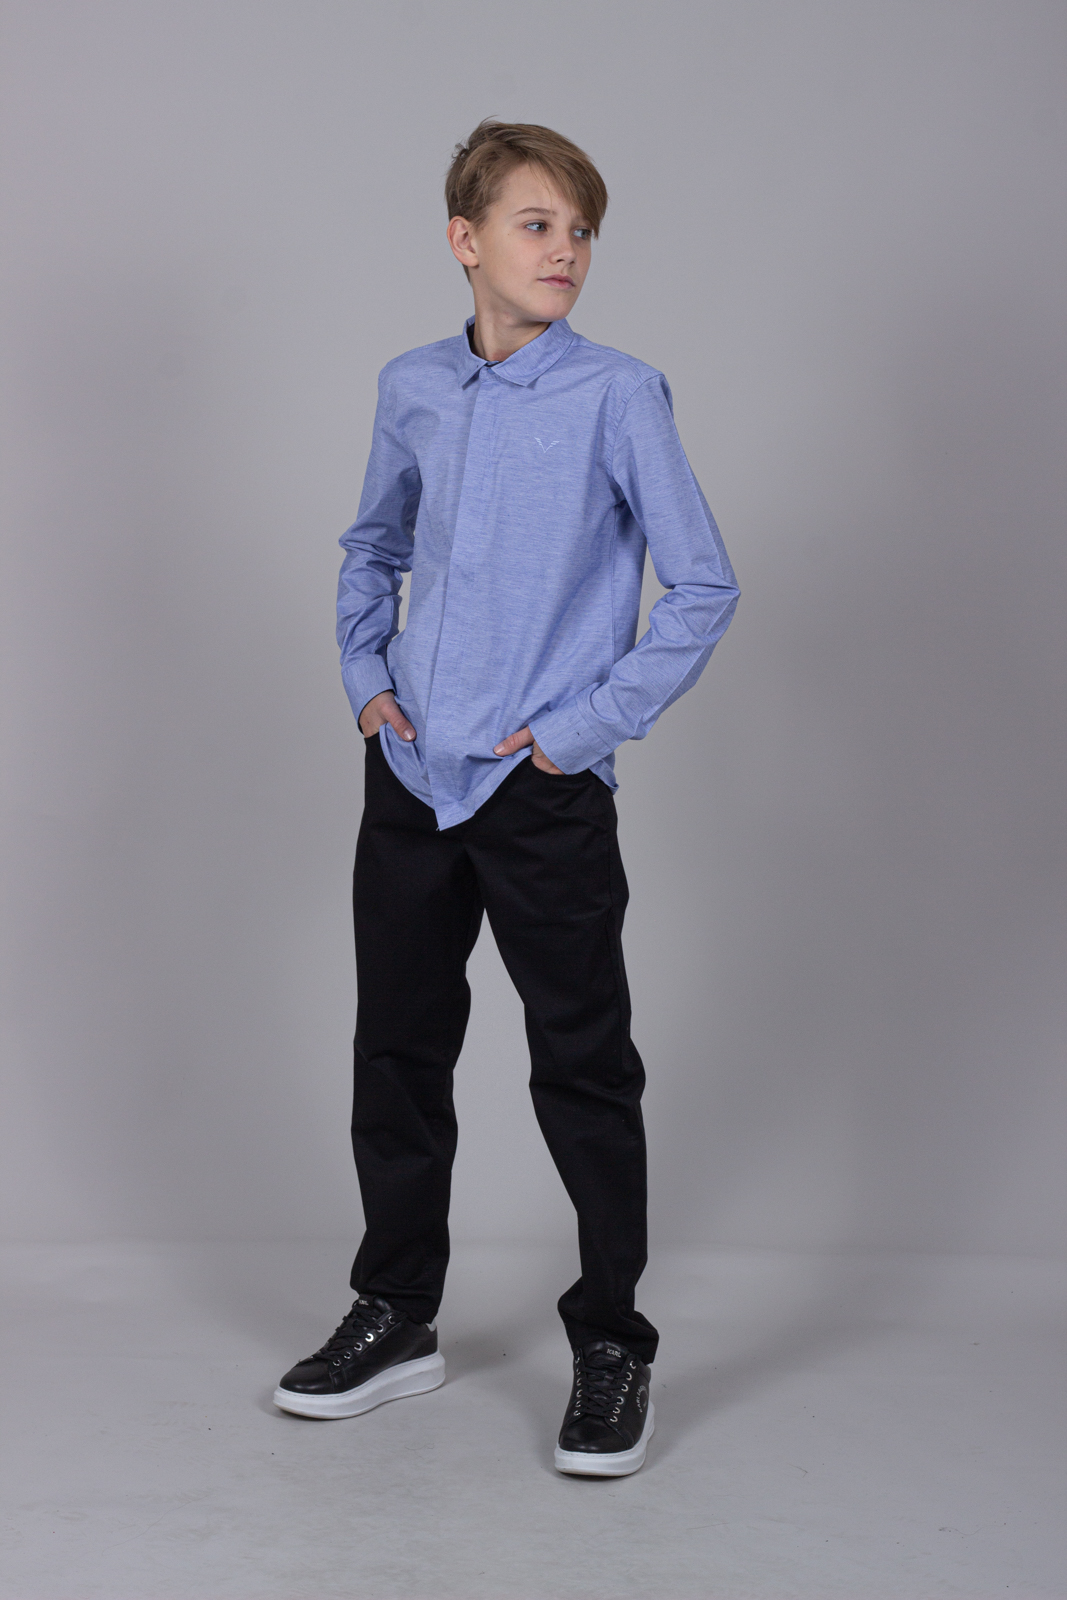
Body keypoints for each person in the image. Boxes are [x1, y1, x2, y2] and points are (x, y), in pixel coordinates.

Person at [273, 120, 739, 1477]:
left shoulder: (620, 395)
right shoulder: (413, 385)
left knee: (584, 1068)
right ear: (465, 240)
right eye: (538, 224)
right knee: (397, 1054)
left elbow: (702, 584)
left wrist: (580, 730)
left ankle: (612, 1344)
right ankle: (395, 1313)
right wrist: (369, 683)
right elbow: (372, 547)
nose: (566, 250)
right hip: (414, 777)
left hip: (542, 793)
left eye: (582, 229)